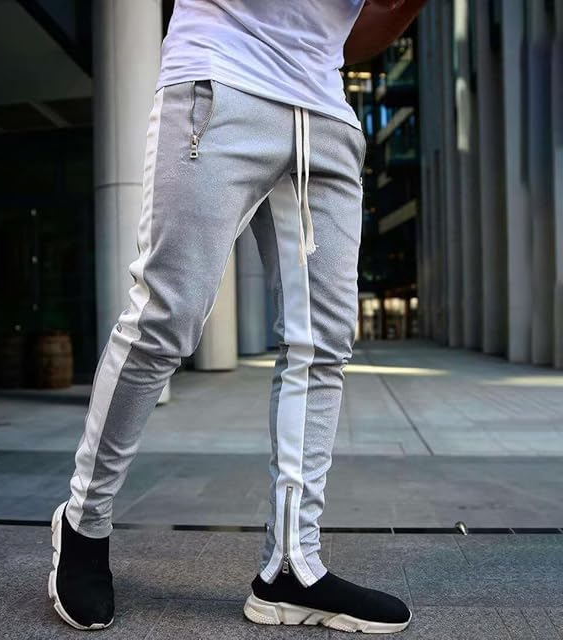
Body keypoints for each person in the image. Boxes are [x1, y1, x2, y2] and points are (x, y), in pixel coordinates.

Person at [48, 0, 426, 633]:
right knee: (165, 321)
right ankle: (84, 520)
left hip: (324, 113)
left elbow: (349, 34)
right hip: (223, 81)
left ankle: (291, 566)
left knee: (322, 346)